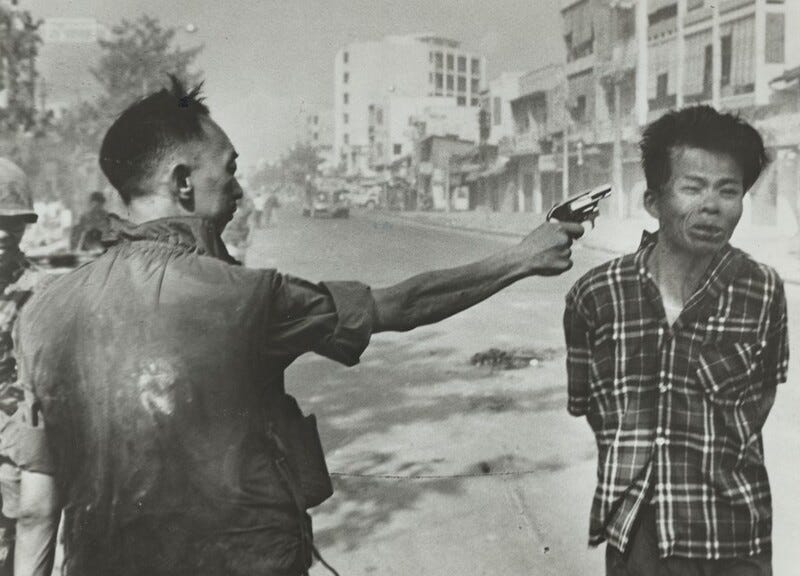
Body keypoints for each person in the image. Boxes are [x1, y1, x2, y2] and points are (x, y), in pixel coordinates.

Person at [14, 77, 584, 576]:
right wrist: (521, 257)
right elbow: (403, 305)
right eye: (230, 170)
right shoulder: (247, 298)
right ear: (183, 182)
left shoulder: (42, 312)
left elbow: (39, 501)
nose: (240, 190)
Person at [564, 106, 789, 576]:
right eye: (693, 187)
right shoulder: (596, 296)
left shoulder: (762, 289)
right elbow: (589, 403)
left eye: (729, 191)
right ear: (653, 201)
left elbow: (762, 398)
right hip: (637, 539)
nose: (713, 205)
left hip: (734, 538)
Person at [0, 159, 54, 576]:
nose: (3, 233)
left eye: (14, 223)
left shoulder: (41, 291)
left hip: (18, 433)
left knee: (30, 522)